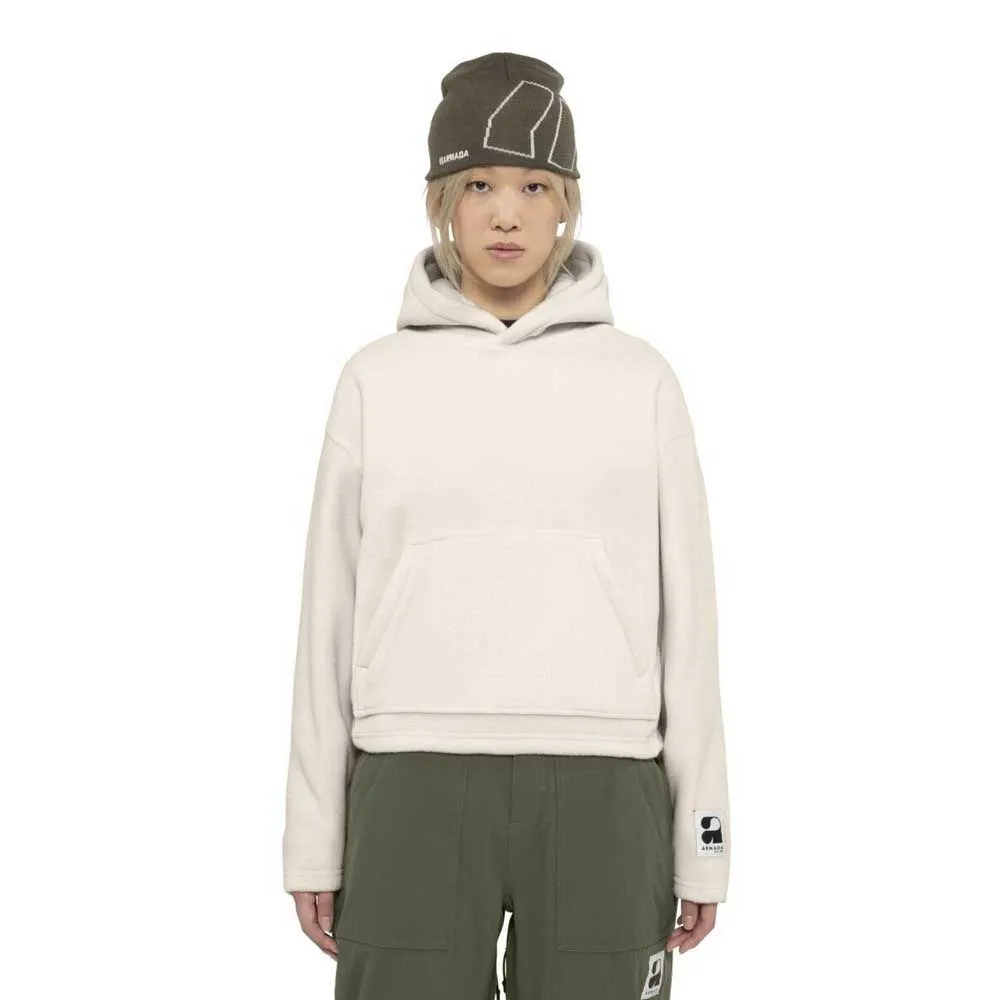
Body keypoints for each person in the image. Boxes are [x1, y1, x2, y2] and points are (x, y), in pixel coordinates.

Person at [282, 51, 730, 1000]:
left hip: (607, 782)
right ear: (441, 201)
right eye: (478, 184)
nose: (506, 214)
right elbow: (327, 617)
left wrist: (705, 837)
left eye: (534, 186)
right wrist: (313, 837)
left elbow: (689, 625)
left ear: (567, 203)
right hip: (410, 776)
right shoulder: (374, 382)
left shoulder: (641, 381)